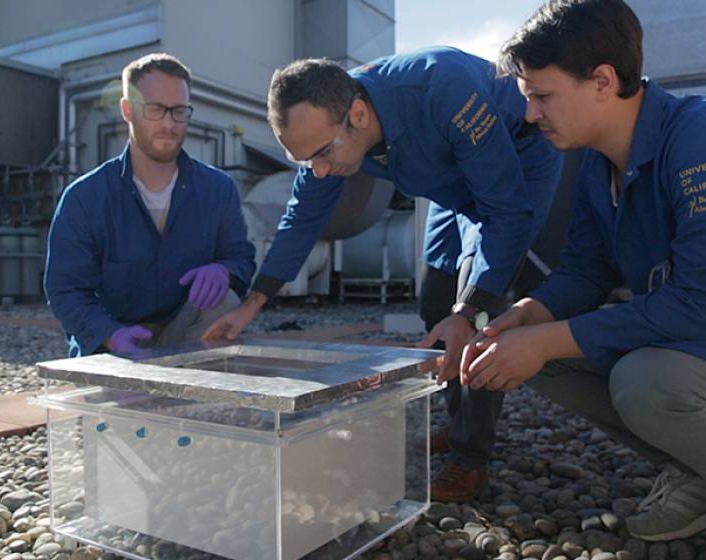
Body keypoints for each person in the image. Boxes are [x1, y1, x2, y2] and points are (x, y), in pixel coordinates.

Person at [461, 0, 706, 556]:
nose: (531, 115)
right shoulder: (599, 163)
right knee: (530, 356)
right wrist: (520, 321)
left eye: (542, 96)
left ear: (602, 81)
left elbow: (703, 308)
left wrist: (542, 339)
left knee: (649, 382)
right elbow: (585, 270)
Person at [202, 47, 563, 502]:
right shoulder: (330, 123)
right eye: (304, 162)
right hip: (448, 189)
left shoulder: (445, 88)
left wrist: (470, 306)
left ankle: (471, 458)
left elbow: (504, 210)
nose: (320, 170)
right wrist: (250, 305)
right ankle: (458, 424)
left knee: (477, 316)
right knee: (434, 304)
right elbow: (303, 215)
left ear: (357, 113)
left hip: (511, 166)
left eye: (322, 154)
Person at [45, 53, 255, 357]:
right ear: (128, 111)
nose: (169, 124)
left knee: (226, 302)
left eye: (179, 111)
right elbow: (65, 289)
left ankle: (200, 393)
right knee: (117, 396)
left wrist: (225, 270)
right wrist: (109, 334)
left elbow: (242, 259)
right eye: (156, 109)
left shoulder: (217, 189)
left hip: (186, 334)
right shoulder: (84, 197)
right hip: (112, 342)